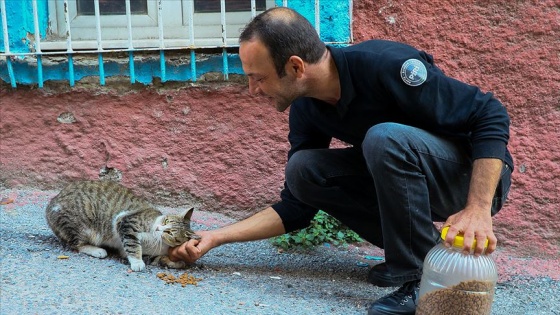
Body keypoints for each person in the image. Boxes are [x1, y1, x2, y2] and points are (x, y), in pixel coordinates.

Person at [169, 7, 513, 315]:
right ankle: (418, 256)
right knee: (304, 170)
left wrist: (478, 208)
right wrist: (216, 238)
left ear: (295, 66)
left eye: (258, 77)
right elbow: (296, 205)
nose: (253, 90)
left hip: (469, 178)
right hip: (416, 174)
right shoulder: (307, 107)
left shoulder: (386, 66)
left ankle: (417, 280)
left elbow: (490, 114)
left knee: (384, 138)